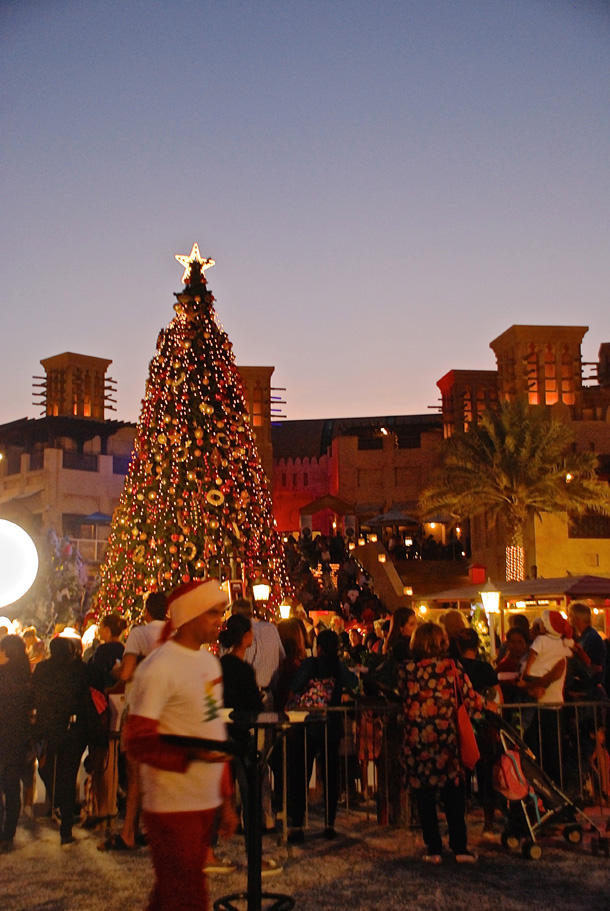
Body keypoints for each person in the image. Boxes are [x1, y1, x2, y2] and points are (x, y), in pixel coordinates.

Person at [125, 578, 237, 911]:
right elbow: (138, 740)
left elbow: (214, 728)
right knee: (186, 893)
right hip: (171, 801)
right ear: (188, 616)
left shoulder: (209, 664)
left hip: (202, 799)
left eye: (222, 612)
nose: (220, 621)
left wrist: (225, 799)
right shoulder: (158, 668)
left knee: (175, 892)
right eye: (212, 613)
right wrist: (189, 756)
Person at [397, 621, 490, 863]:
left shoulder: (406, 670)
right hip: (447, 740)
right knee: (453, 796)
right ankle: (459, 847)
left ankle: (434, 848)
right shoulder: (452, 668)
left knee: (425, 797)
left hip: (417, 740)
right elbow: (469, 697)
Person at [102, 592, 167, 851]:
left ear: (147, 611)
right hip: (167, 709)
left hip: (140, 708)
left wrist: (117, 670)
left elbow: (127, 672)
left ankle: (129, 832)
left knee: (135, 776)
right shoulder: (175, 634)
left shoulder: (139, 633)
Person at [286, 628, 358, 843]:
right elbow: (354, 682)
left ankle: (298, 825)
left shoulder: (310, 664)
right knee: (330, 776)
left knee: (302, 775)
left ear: (318, 647)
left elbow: (295, 684)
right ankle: (329, 823)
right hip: (331, 726)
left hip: (307, 725)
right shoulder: (339, 666)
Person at [32, 636, 94, 846]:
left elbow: (36, 696)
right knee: (68, 775)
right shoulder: (79, 670)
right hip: (73, 729)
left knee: (46, 768)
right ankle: (66, 824)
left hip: (48, 729)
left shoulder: (42, 670)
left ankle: (57, 803)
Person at [0, 635, 32, 852]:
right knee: (12, 786)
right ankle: (8, 834)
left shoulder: (3, 675)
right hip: (17, 737)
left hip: (3, 735)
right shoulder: (25, 676)